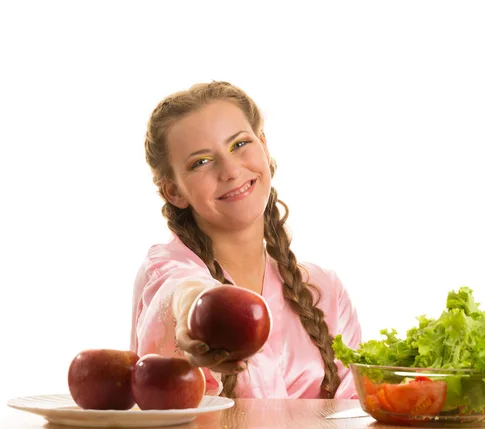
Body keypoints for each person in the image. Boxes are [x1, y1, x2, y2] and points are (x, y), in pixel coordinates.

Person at [130, 81, 362, 399]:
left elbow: (353, 412)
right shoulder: (166, 267)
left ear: (263, 146)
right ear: (174, 191)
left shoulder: (324, 291)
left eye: (239, 144)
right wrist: (192, 314)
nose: (230, 170)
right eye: (201, 162)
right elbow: (181, 290)